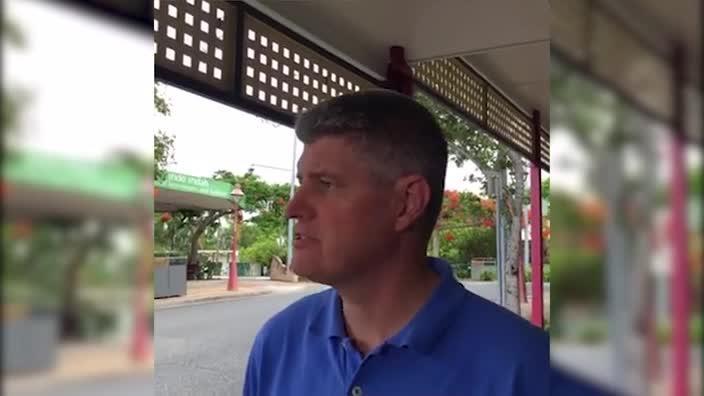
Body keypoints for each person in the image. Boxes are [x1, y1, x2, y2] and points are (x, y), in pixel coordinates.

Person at [243, 89, 549, 396]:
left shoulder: (530, 369)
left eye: (326, 184)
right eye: (301, 183)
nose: (293, 208)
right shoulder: (278, 342)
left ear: (407, 203)